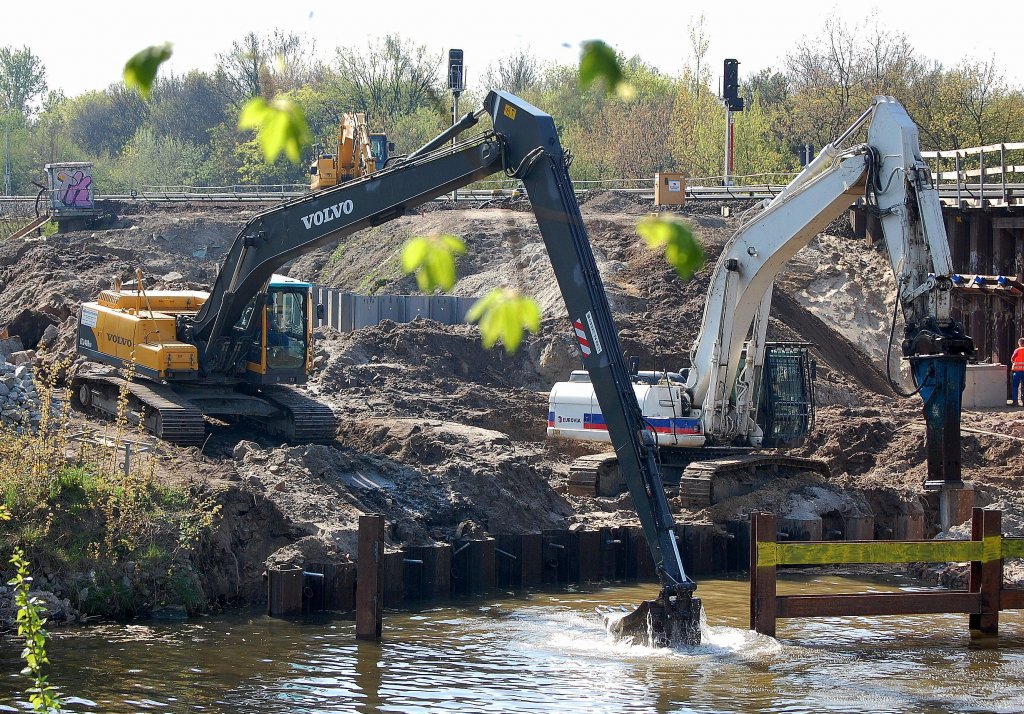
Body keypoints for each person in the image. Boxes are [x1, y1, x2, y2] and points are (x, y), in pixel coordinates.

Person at [1012, 337, 1024, 406]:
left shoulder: (1017, 350)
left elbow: (1012, 358)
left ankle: (1015, 402)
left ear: (1019, 343)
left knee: (1015, 386)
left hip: (1017, 372)